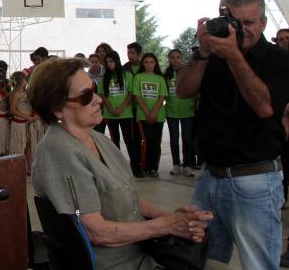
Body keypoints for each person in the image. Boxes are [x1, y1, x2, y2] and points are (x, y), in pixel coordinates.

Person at [30, 58, 212, 270]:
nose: (98, 99)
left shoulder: (98, 139)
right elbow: (96, 232)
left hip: (142, 253)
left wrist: (178, 219)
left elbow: (130, 199)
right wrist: (167, 225)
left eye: (94, 89)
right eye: (86, 96)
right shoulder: (59, 151)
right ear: (56, 109)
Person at [177, 0, 289, 269]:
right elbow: (183, 91)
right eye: (235, 22)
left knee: (258, 264)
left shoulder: (279, 61)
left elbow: (264, 107)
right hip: (208, 177)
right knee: (202, 260)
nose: (242, 30)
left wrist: (233, 57)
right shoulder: (214, 54)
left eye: (250, 23)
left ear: (264, 23)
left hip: (254, 181)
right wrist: (203, 53)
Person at [101, 51, 140, 176]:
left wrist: (121, 108)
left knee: (130, 140)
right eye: (107, 62)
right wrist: (111, 108)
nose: (109, 64)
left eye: (111, 62)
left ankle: (135, 167)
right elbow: (102, 95)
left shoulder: (127, 75)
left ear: (117, 61)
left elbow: (130, 94)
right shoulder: (104, 77)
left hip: (126, 114)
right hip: (109, 114)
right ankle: (117, 167)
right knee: (114, 140)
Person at [132, 53, 167, 178]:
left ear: (155, 63)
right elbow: (137, 96)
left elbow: (162, 96)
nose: (149, 65)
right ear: (143, 64)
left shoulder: (160, 79)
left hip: (158, 115)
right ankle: (145, 166)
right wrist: (147, 112)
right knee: (147, 141)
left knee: (156, 142)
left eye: (152, 62)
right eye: (146, 62)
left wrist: (154, 112)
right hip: (143, 116)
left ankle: (154, 168)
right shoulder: (138, 77)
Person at [163, 49, 195, 177]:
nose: (175, 60)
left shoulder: (189, 72)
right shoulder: (166, 75)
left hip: (188, 111)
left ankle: (187, 165)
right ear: (169, 59)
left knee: (187, 140)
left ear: (182, 58)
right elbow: (163, 93)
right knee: (174, 140)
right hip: (172, 112)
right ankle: (176, 164)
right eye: (172, 57)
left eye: (178, 57)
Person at [8, 71, 37, 173]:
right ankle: (20, 168)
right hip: (20, 122)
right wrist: (27, 117)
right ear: (21, 81)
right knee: (20, 145)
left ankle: (30, 167)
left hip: (28, 122)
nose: (26, 81)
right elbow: (12, 110)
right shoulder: (16, 93)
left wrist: (33, 116)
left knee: (28, 145)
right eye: (25, 79)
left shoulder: (26, 93)